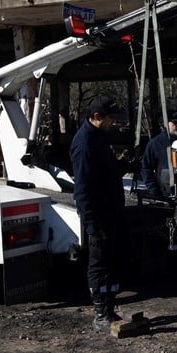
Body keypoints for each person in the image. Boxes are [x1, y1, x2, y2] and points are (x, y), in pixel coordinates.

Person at [70, 95, 129, 333]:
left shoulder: (99, 138)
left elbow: (107, 172)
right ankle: (100, 314)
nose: (114, 123)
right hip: (99, 215)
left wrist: (123, 163)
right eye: (111, 119)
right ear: (97, 117)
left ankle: (110, 308)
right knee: (99, 265)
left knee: (112, 263)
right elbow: (82, 188)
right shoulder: (84, 143)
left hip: (111, 211)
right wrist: (92, 224)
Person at [141, 110, 177, 199]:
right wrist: (153, 189)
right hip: (165, 193)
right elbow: (146, 167)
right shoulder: (155, 143)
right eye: (175, 122)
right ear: (166, 124)